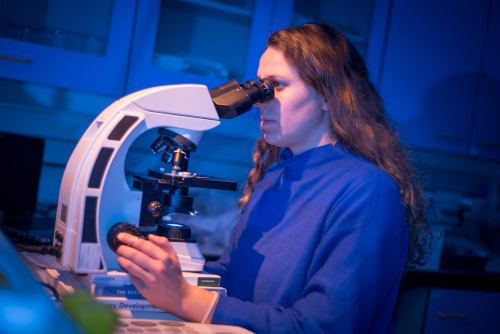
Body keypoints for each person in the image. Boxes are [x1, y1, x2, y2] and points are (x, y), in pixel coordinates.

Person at [116, 23, 431, 333]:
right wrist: (173, 271)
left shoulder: (369, 192)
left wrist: (185, 298)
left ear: (328, 96)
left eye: (276, 85)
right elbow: (229, 276)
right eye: (260, 86)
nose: (260, 100)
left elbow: (324, 327)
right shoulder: (274, 176)